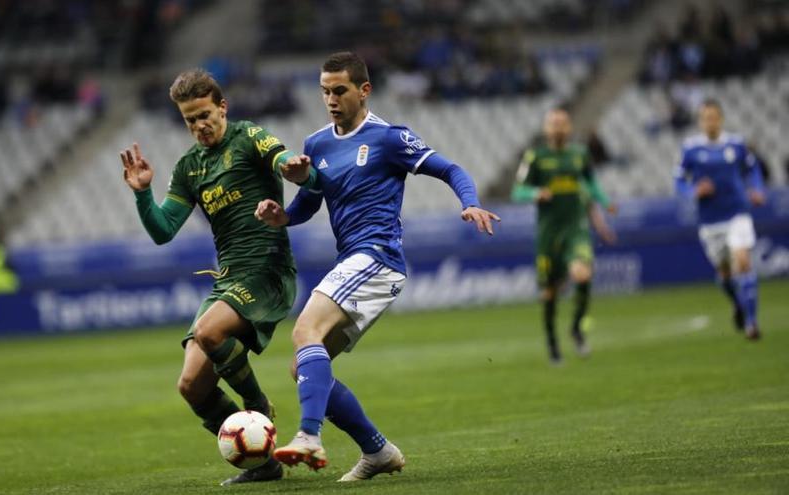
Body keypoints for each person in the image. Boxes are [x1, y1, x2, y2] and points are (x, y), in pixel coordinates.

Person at [254, 51, 500, 482]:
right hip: (353, 259)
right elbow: (310, 203)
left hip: (378, 256)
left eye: (339, 90)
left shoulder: (388, 138)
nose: (330, 99)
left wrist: (470, 203)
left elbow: (451, 168)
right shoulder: (316, 144)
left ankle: (308, 436)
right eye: (324, 91)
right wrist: (283, 217)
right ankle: (378, 451)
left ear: (364, 90)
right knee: (304, 368)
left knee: (303, 332)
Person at [120, 69, 299, 486]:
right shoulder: (188, 168)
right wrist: (143, 192)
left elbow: (281, 157)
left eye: (204, 114)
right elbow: (163, 231)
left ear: (222, 107)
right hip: (229, 280)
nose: (199, 125)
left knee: (208, 332)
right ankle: (263, 463)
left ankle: (257, 407)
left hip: (267, 271)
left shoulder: (249, 137)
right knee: (190, 387)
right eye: (189, 119)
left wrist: (292, 166)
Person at [511, 108, 616, 365]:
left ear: (568, 128)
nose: (558, 128)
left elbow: (590, 184)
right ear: (546, 128)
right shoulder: (535, 157)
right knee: (549, 294)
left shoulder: (579, 155)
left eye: (562, 123)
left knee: (582, 273)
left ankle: (577, 328)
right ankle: (553, 344)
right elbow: (517, 191)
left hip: (575, 229)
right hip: (549, 235)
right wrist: (535, 194)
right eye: (553, 123)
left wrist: (604, 201)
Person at [674, 99, 766, 340]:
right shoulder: (691, 149)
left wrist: (757, 189)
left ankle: (751, 322)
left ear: (721, 119)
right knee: (724, 273)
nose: (710, 122)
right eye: (706, 118)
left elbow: (753, 169)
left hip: (737, 212)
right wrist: (693, 192)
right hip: (710, 221)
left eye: (714, 117)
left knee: (743, 261)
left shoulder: (735, 145)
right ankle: (737, 303)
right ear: (700, 121)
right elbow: (679, 181)